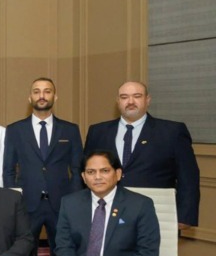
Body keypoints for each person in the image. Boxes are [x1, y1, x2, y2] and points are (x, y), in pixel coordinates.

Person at [84, 81, 199, 230]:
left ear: (147, 100)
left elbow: (188, 177)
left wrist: (185, 217)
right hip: (106, 212)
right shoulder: (98, 131)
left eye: (137, 96)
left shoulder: (172, 132)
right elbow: (87, 173)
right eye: (124, 97)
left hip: (156, 213)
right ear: (118, 101)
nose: (130, 101)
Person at [2, 78, 83, 256]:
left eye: (47, 91)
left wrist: (73, 199)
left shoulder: (70, 130)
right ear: (30, 97)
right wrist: (15, 199)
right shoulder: (15, 130)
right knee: (24, 254)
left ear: (54, 96)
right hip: (27, 203)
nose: (42, 96)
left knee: (63, 253)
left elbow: (78, 168)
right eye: (37, 91)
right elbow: (8, 169)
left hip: (62, 204)